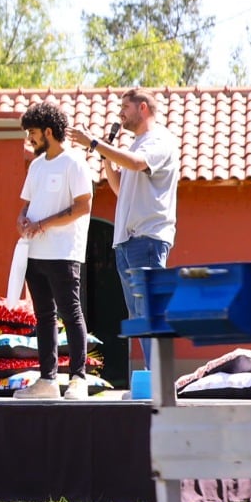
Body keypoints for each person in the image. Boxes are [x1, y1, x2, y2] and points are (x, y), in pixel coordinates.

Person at [67, 88, 179, 370]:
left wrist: (95, 144)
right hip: (127, 242)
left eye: (125, 107)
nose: (120, 113)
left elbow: (138, 164)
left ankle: (160, 380)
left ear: (143, 108)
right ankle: (154, 377)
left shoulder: (159, 140)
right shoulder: (135, 145)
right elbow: (120, 189)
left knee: (150, 311)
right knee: (139, 315)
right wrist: (106, 157)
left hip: (148, 239)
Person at [16, 100, 94, 400]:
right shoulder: (36, 165)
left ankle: (78, 378)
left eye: (33, 132)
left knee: (71, 313)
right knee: (43, 316)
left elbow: (83, 207)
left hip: (64, 252)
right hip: (34, 253)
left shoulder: (75, 162)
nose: (29, 139)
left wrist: (44, 223)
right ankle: (47, 379)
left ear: (48, 131)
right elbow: (27, 203)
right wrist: (22, 219)